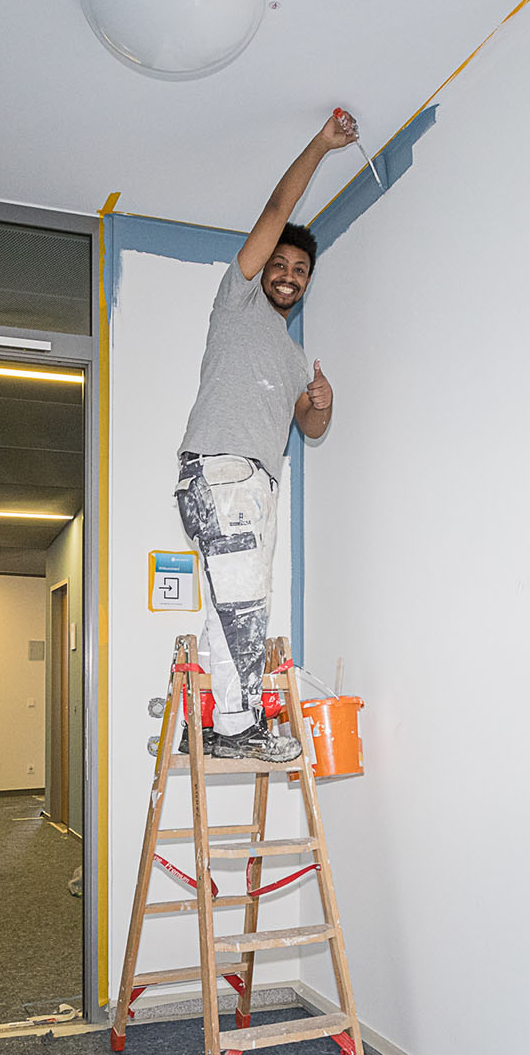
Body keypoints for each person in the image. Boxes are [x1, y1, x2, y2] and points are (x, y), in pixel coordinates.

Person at [174, 110, 353, 762]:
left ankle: (211, 711)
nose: (287, 274)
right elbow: (279, 206)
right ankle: (238, 724)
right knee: (245, 602)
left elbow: (309, 428)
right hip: (225, 472)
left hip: (253, 482)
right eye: (279, 263)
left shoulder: (292, 353)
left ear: (307, 281)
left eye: (300, 270)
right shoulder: (238, 302)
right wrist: (322, 145)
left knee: (235, 599)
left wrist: (322, 404)